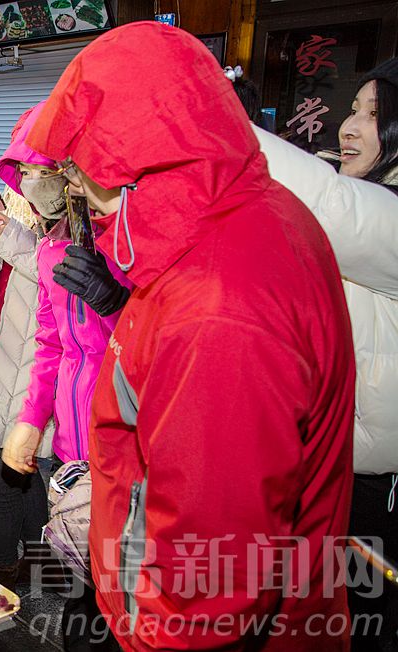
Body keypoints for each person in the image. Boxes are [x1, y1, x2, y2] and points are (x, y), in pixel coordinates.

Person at [14, 23, 356, 650]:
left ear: (132, 156)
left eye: (81, 168)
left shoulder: (218, 307)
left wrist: (145, 630)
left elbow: (206, 598)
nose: (78, 190)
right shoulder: (244, 213)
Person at [0, 101, 122, 589]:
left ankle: (23, 565)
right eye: (23, 170)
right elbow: (52, 334)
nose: (31, 182)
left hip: (111, 428)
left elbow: (121, 333)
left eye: (41, 170)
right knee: (30, 485)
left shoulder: (108, 232)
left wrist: (115, 304)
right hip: (21, 373)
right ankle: (48, 563)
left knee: (10, 486)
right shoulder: (49, 229)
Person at [254, 58, 398, 652]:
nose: (350, 126)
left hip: (376, 485)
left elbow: (327, 202)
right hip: (329, 461)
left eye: (374, 115)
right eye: (353, 109)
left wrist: (211, 118)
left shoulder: (382, 217)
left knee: (367, 619)